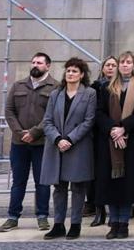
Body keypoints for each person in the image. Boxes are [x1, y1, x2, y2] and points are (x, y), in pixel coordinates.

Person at [0, 52, 58, 233]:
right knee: (18, 181)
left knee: (42, 182)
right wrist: (19, 132)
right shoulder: (18, 85)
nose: (35, 64)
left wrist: (34, 132)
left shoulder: (55, 87)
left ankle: (42, 216)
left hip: (42, 143)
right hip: (19, 143)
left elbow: (53, 113)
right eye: (33, 61)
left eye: (39, 62)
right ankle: (12, 216)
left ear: (48, 66)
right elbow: (9, 111)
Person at [41, 57, 97, 240]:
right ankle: (58, 224)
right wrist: (57, 139)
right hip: (57, 146)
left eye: (74, 71)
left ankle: (75, 224)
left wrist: (70, 139)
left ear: (82, 75)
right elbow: (47, 120)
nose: (70, 74)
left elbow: (89, 121)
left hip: (78, 146)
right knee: (59, 187)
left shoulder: (89, 94)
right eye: (68, 70)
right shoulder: (55, 94)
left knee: (78, 187)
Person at [95, 51, 134, 239]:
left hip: (131, 141)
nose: (125, 65)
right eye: (122, 62)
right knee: (111, 181)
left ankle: (124, 222)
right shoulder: (107, 88)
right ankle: (114, 223)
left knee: (127, 183)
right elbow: (99, 112)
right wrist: (112, 129)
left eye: (129, 62)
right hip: (109, 142)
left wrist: (123, 128)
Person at [88, 55, 118, 226]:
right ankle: (99, 210)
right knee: (99, 175)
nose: (110, 68)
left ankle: (117, 210)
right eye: (108, 65)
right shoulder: (95, 87)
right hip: (99, 134)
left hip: (118, 133)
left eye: (114, 65)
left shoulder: (123, 85)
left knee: (117, 174)